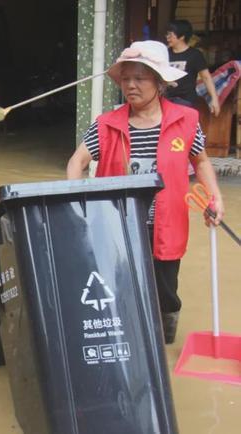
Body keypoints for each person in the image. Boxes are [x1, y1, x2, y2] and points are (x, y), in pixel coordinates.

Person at [66, 40, 224, 344]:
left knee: (165, 290)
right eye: (126, 79)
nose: (131, 85)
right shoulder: (106, 124)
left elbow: (201, 162)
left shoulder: (185, 120)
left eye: (140, 78)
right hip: (116, 224)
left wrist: (214, 197)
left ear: (160, 83)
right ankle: (128, 342)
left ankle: (163, 341)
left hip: (167, 222)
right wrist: (77, 204)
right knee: (116, 284)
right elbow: (77, 162)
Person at [166, 19, 220, 116]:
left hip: (186, 101)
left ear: (181, 36)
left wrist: (214, 99)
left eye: (171, 35)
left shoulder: (195, 55)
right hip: (165, 100)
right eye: (167, 35)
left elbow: (206, 77)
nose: (167, 38)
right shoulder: (164, 53)